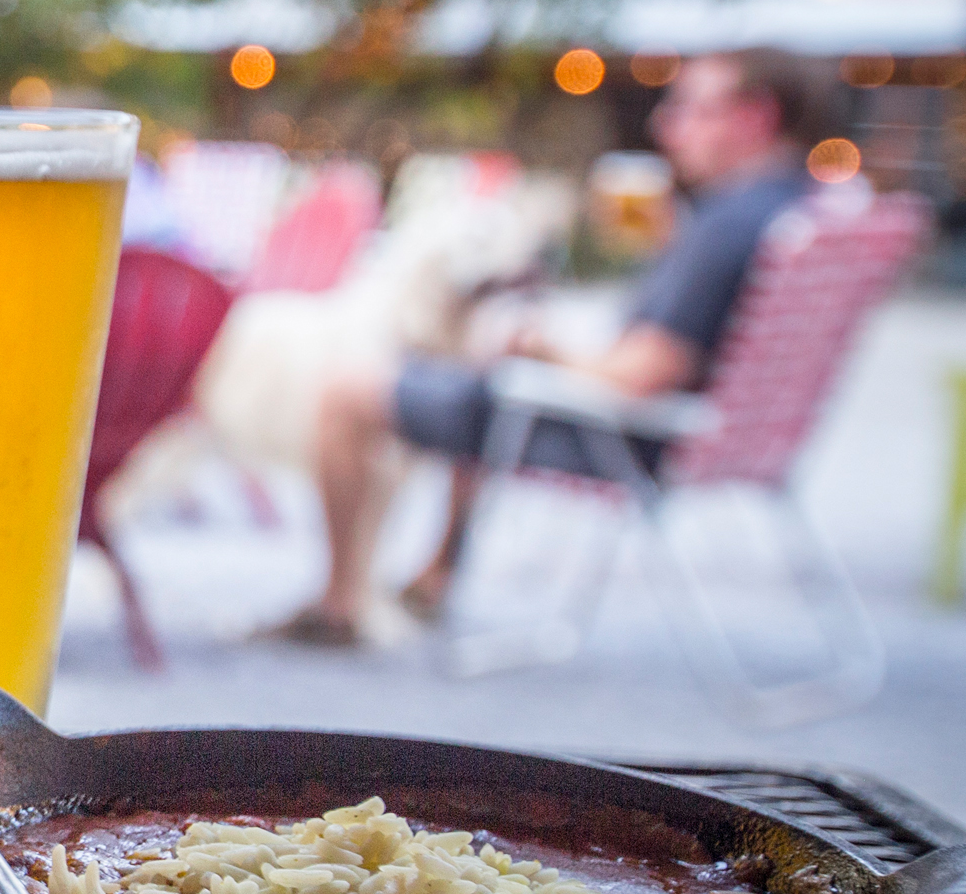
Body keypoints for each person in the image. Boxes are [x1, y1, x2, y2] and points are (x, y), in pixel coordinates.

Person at [282, 49, 827, 645]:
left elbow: (643, 373)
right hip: (707, 433)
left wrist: (543, 352)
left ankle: (338, 606)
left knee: (346, 389)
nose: (666, 126)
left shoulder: (727, 227)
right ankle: (434, 576)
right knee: (479, 368)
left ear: (757, 117)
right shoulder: (787, 205)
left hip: (626, 434)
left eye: (693, 109)